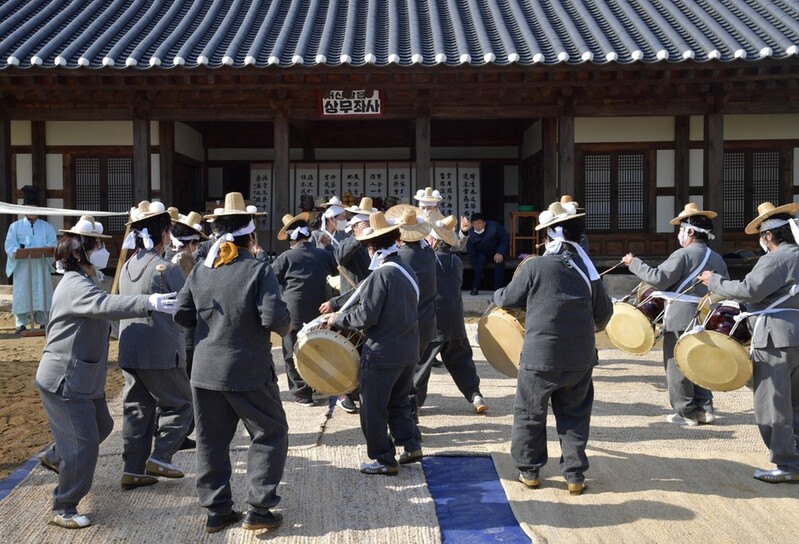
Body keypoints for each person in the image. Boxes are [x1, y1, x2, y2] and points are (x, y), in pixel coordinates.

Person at [35, 216, 177, 529]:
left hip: (82, 379)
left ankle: (58, 456)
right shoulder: (76, 286)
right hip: (65, 380)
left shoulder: (86, 281)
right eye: (97, 245)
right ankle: (64, 505)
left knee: (101, 425)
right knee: (84, 446)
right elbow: (104, 305)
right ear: (80, 252)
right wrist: (148, 301)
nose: (103, 249)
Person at [174, 192, 290, 534]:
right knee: (269, 431)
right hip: (247, 368)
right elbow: (273, 317)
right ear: (250, 236)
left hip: (204, 369)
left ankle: (217, 510)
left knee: (211, 439)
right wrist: (287, 325)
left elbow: (181, 314)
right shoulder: (258, 269)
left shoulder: (199, 270)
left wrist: (209, 329)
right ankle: (259, 508)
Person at [493, 199, 612, 495]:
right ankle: (574, 475)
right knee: (575, 415)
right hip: (581, 356)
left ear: (549, 236)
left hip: (540, 355)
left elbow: (508, 298)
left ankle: (530, 471)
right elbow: (603, 313)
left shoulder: (536, 266)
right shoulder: (588, 269)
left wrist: (495, 295)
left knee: (530, 413)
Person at [698, 201, 799, 483]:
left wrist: (714, 281)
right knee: (795, 401)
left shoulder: (776, 258)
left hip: (774, 337)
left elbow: (749, 290)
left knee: (773, 402)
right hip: (796, 334)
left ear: (768, 236)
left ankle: (787, 465)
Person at [324, 211, 422, 475]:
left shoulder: (382, 275)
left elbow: (365, 316)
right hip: (408, 349)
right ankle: (411, 445)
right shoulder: (405, 267)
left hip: (382, 352)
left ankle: (384, 459)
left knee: (373, 408)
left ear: (372, 247)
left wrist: (337, 319)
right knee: (399, 402)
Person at [622, 203, 728, 426]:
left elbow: (659, 278)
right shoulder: (717, 258)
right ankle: (705, 408)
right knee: (701, 360)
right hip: (707, 315)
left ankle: (685, 412)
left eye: (681, 229)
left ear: (690, 231)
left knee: (677, 363)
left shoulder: (683, 254)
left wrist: (634, 263)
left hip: (682, 315)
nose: (679, 234)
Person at [117, 201, 193, 489]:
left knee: (137, 409)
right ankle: (161, 455)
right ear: (163, 232)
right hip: (159, 350)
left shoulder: (127, 266)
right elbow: (187, 308)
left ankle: (133, 469)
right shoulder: (164, 268)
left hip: (130, 348)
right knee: (182, 404)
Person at [414, 211, 489, 414]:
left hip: (433, 321)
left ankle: (415, 403)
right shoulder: (456, 262)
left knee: (421, 364)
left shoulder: (427, 261)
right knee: (462, 361)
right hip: (455, 320)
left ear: (435, 241)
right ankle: (475, 395)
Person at [272, 212, 338, 407]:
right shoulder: (324, 255)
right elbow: (337, 275)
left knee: (292, 351)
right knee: (320, 347)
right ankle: (320, 385)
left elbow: (271, 281)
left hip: (294, 310)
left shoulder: (286, 257)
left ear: (291, 238)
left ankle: (302, 392)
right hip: (321, 308)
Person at [319, 197, 377, 413]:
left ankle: (357, 390)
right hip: (349, 305)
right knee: (344, 352)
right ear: (354, 228)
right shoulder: (349, 243)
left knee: (363, 353)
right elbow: (339, 257)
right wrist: (358, 237)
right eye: (365, 225)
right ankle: (342, 393)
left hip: (370, 306)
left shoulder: (376, 245)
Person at [385, 205, 436, 434]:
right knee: (413, 374)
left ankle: (409, 425)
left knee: (404, 380)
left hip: (410, 323)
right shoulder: (427, 252)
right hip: (427, 321)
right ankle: (411, 419)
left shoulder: (403, 257)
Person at [4, 186, 57, 332]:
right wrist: (19, 250)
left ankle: (43, 320)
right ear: (24, 209)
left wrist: (44, 249)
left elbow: (53, 243)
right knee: (22, 292)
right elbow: (10, 246)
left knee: (42, 290)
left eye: (35, 208)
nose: (33, 212)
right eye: (29, 208)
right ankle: (21, 322)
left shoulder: (46, 227)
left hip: (40, 263)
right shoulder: (15, 227)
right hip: (23, 267)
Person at [414, 187, 470, 251]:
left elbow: (456, 246)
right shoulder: (414, 221)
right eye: (423, 208)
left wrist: (463, 231)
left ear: (435, 208)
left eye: (429, 208)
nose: (426, 211)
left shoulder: (443, 222)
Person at [466, 212, 509, 295]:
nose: (477, 226)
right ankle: (475, 287)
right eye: (474, 224)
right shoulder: (470, 234)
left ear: (484, 223)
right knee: (480, 261)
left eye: (479, 223)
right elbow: (471, 251)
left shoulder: (494, 226)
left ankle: (497, 289)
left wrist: (500, 252)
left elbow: (504, 238)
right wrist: (476, 266)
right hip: (483, 253)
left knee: (500, 263)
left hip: (496, 251)